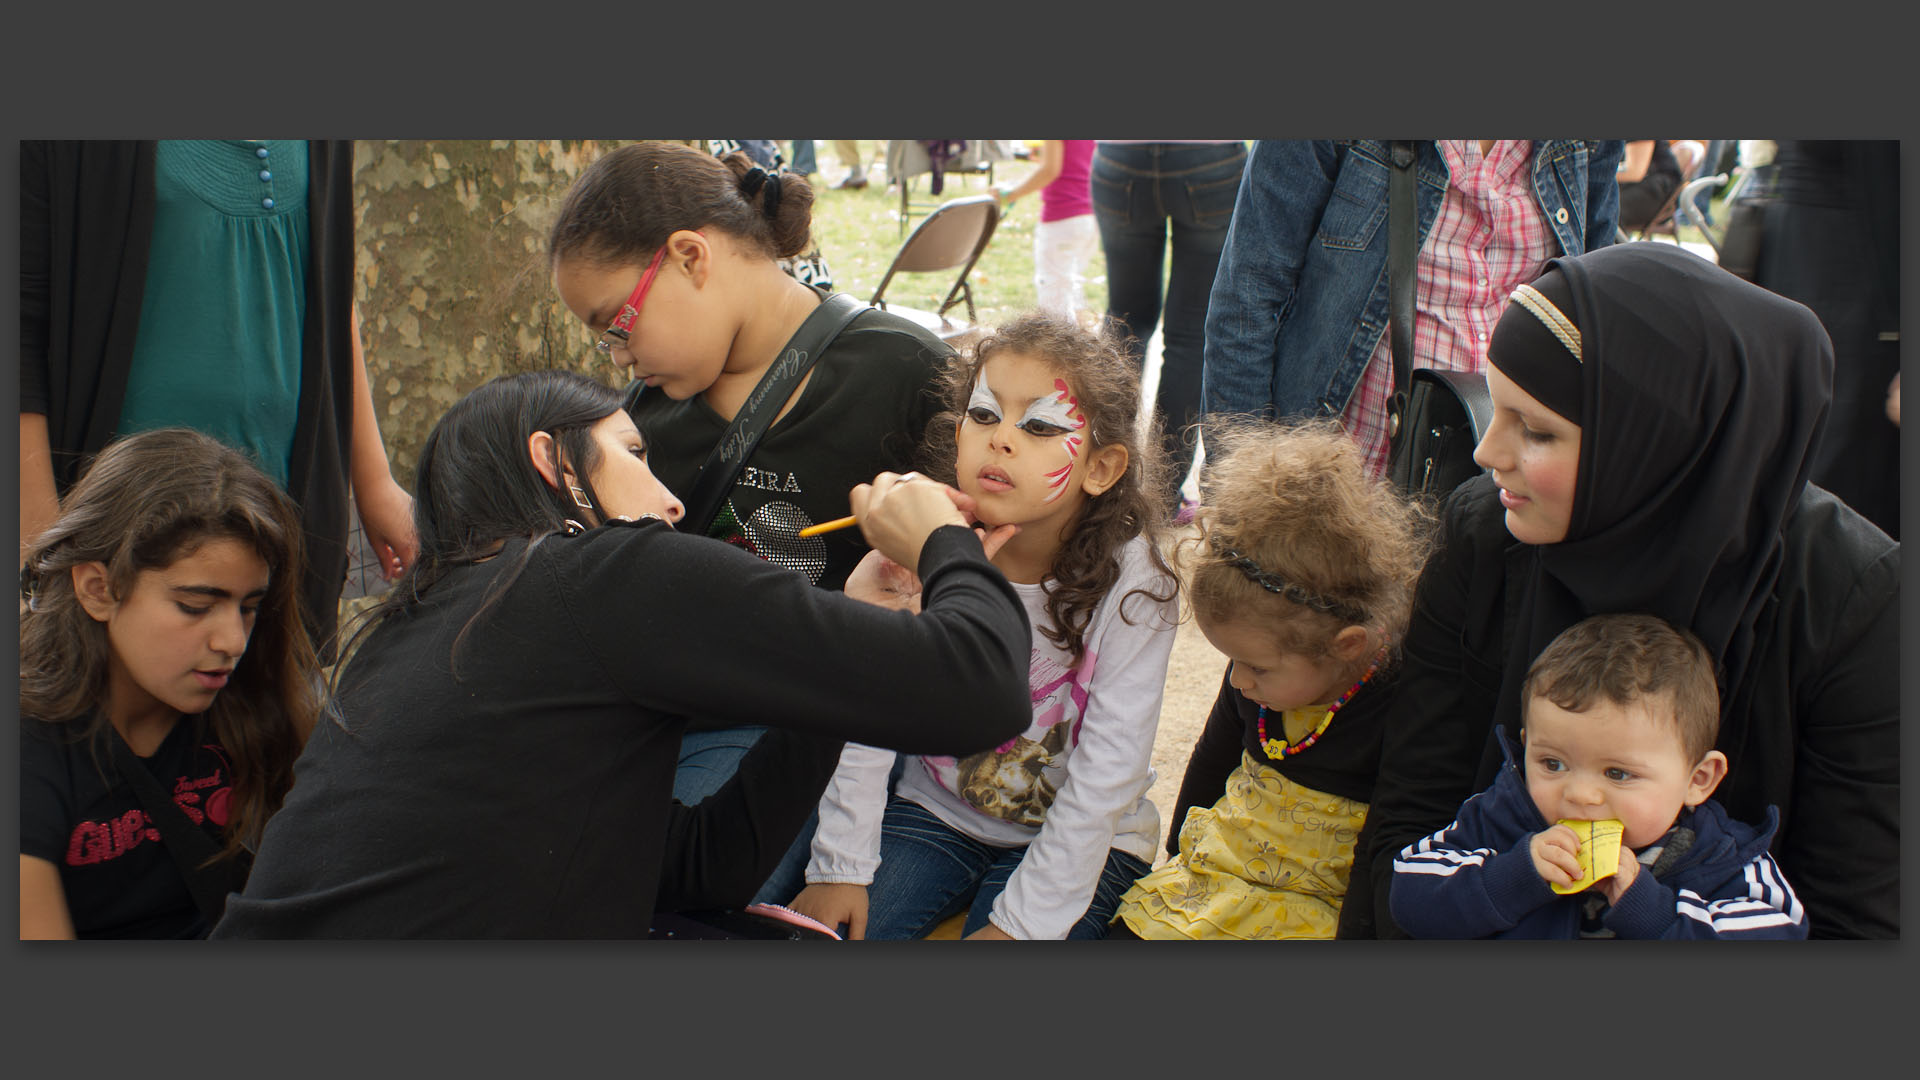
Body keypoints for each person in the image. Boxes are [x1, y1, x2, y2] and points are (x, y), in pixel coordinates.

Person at [209, 371, 1032, 939]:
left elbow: (703, 869)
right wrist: (942, 539)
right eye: (637, 455)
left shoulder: (413, 629)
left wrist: (852, 637)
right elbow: (986, 689)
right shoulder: (606, 569)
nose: (672, 501)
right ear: (550, 460)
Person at [1357, 243, 1899, 939]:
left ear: (1652, 440)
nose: (1489, 452)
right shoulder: (1486, 535)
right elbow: (1409, 823)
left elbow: (1856, 921)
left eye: (1538, 430)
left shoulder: (1855, 603)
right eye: (1497, 409)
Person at [548, 141, 955, 804]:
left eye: (617, 324)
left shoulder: (908, 374)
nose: (619, 358)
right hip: (661, 720)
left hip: (833, 741)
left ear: (690, 257)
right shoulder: (640, 417)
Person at [770, 313, 1179, 940]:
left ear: (1101, 468)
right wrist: (841, 867)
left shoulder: (1138, 586)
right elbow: (865, 715)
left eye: (1040, 425)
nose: (1001, 440)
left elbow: (1107, 774)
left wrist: (1022, 924)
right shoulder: (920, 539)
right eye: (985, 415)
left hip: (1086, 841)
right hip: (934, 811)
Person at [19, 140, 418, 658]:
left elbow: (329, 287)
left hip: (283, 563)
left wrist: (375, 481)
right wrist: (44, 557)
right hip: (116, 571)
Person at [1111, 420, 1429, 939]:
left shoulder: (1397, 703)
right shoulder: (1257, 682)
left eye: (1256, 666)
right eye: (1231, 662)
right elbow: (1211, 760)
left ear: (1345, 646)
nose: (1237, 681)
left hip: (1316, 908)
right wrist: (1177, 859)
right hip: (1222, 876)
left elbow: (1393, 834)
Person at [20, 429, 317, 939]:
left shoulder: (254, 710)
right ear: (98, 589)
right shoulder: (30, 747)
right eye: (195, 607)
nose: (232, 641)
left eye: (249, 608)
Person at [1201, 140, 1624, 480]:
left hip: (1502, 479)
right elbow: (1248, 298)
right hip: (1342, 482)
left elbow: (1593, 311)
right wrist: (1242, 487)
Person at [1390, 613, 1808, 939]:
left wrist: (1654, 913)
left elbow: (1780, 937)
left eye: (1618, 773)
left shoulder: (1725, 858)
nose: (1581, 794)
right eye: (1552, 764)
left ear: (1698, 779)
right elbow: (1409, 895)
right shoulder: (1499, 819)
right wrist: (1516, 876)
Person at [1092, 140, 1249, 519]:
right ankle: (1160, 502)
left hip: (1122, 154)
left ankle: (1097, 479)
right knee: (1190, 339)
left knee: (1125, 326)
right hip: (1209, 158)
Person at [994, 140, 1097, 322]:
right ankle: (1083, 342)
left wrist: (1009, 194)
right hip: (1088, 216)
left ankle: (1062, 348)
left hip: (1063, 217)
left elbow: (1049, 171)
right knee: (1071, 286)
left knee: (1054, 294)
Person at [1614, 139, 1683, 233]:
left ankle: (1611, 245)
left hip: (1659, 192)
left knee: (1608, 206)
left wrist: (1594, 173)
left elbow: (1634, 172)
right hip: (1642, 184)